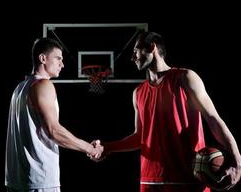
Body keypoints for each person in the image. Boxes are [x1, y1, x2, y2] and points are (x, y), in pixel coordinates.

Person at [92, 31, 241, 192]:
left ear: (152, 47)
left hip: (188, 179)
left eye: (135, 51)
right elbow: (140, 137)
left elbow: (213, 119)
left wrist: (237, 160)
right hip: (150, 181)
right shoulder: (138, 93)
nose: (132, 57)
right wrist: (108, 147)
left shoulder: (186, 78)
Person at [5, 37, 103, 192]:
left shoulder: (19, 88)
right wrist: (90, 149)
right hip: (39, 180)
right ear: (43, 58)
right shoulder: (43, 85)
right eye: (58, 58)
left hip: (16, 181)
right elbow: (53, 131)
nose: (62, 64)